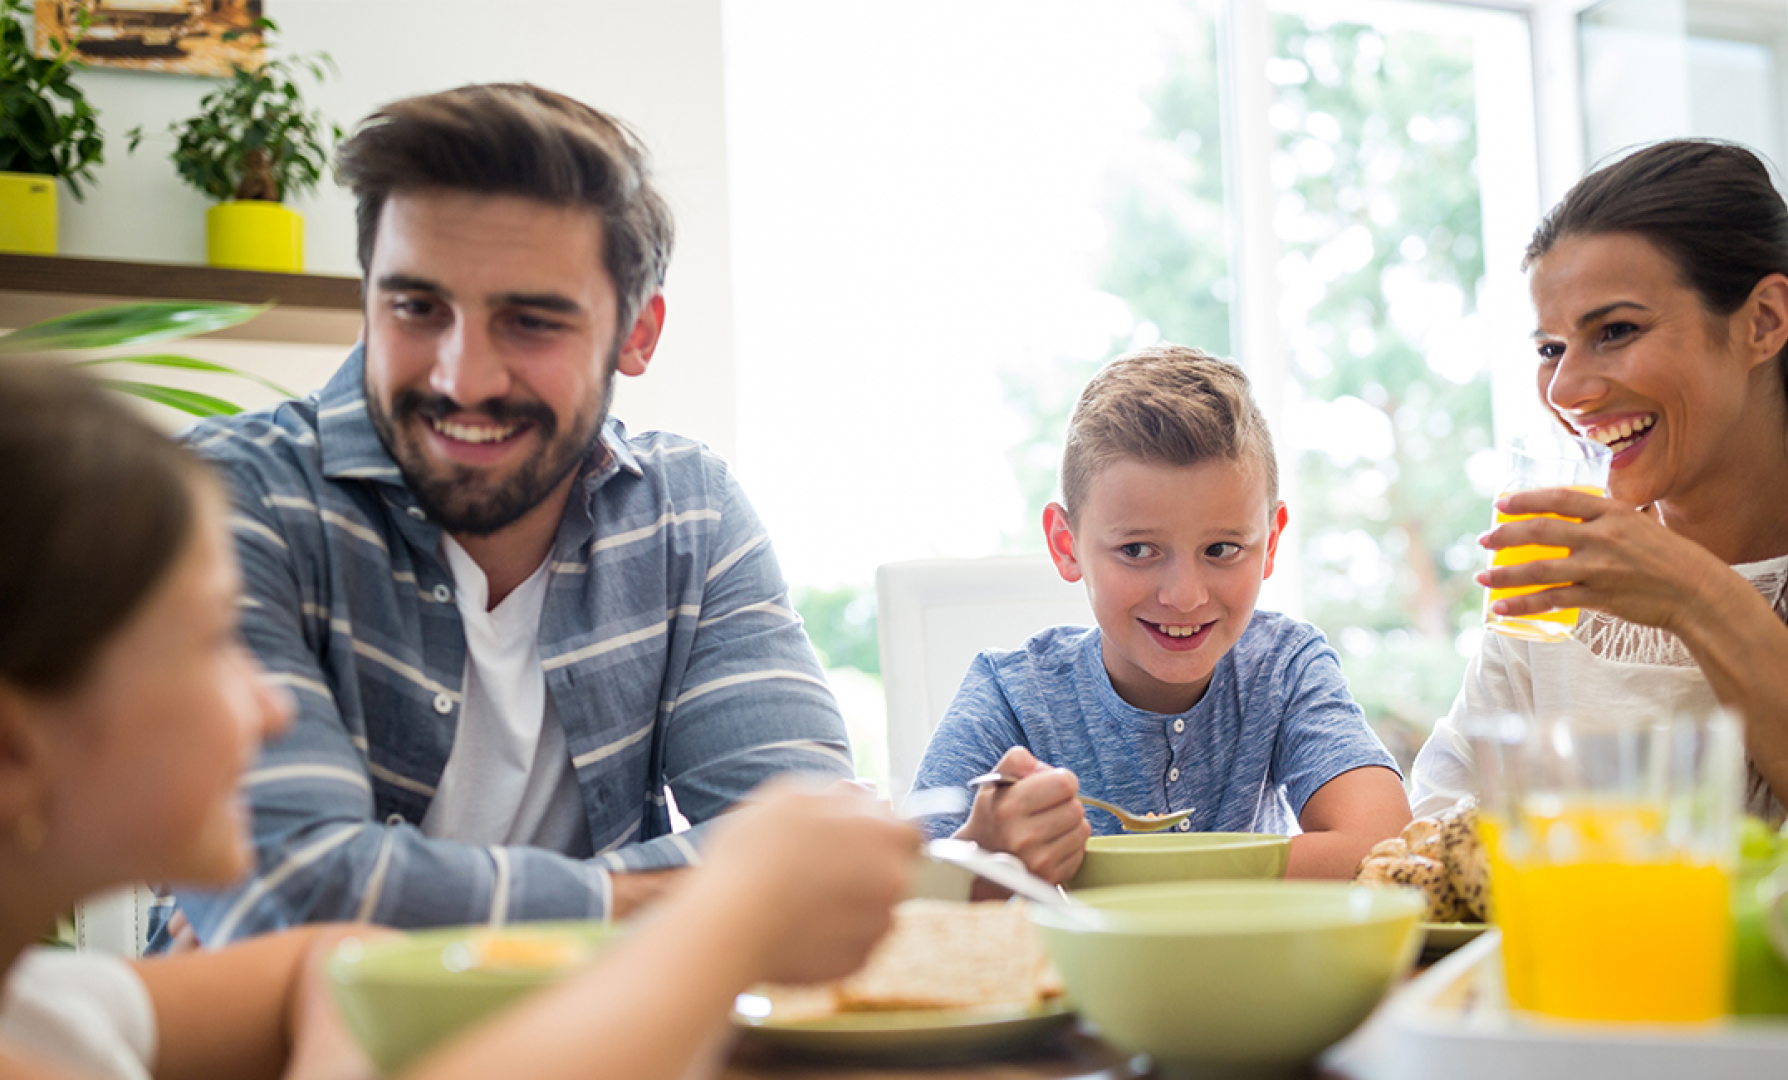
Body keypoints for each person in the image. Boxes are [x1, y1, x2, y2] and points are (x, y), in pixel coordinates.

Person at [0, 360, 922, 1080]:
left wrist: (379, 922)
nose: (272, 700)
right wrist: (727, 907)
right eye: (212, 645)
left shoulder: (51, 1006)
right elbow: (314, 898)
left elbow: (329, 953)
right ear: (14, 753)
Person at [172, 83, 855, 948]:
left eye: (531, 322)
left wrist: (390, 897)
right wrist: (675, 899)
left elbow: (806, 837)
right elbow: (284, 894)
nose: (464, 378)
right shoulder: (225, 500)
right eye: (417, 309)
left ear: (638, 335)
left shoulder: (690, 517)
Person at [1409, 140, 1788, 829]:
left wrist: (1697, 597)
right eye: (1550, 349)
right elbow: (1442, 813)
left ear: (1764, 321)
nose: (1567, 390)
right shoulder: (1565, 577)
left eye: (1616, 330)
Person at [911, 345, 1411, 886]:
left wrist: (1114, 876)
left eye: (1221, 549)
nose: (1184, 596)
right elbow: (902, 898)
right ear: (1066, 544)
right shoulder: (1011, 693)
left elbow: (1382, 847)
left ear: (1270, 543)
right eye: (1137, 550)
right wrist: (982, 855)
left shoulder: (1284, 667)